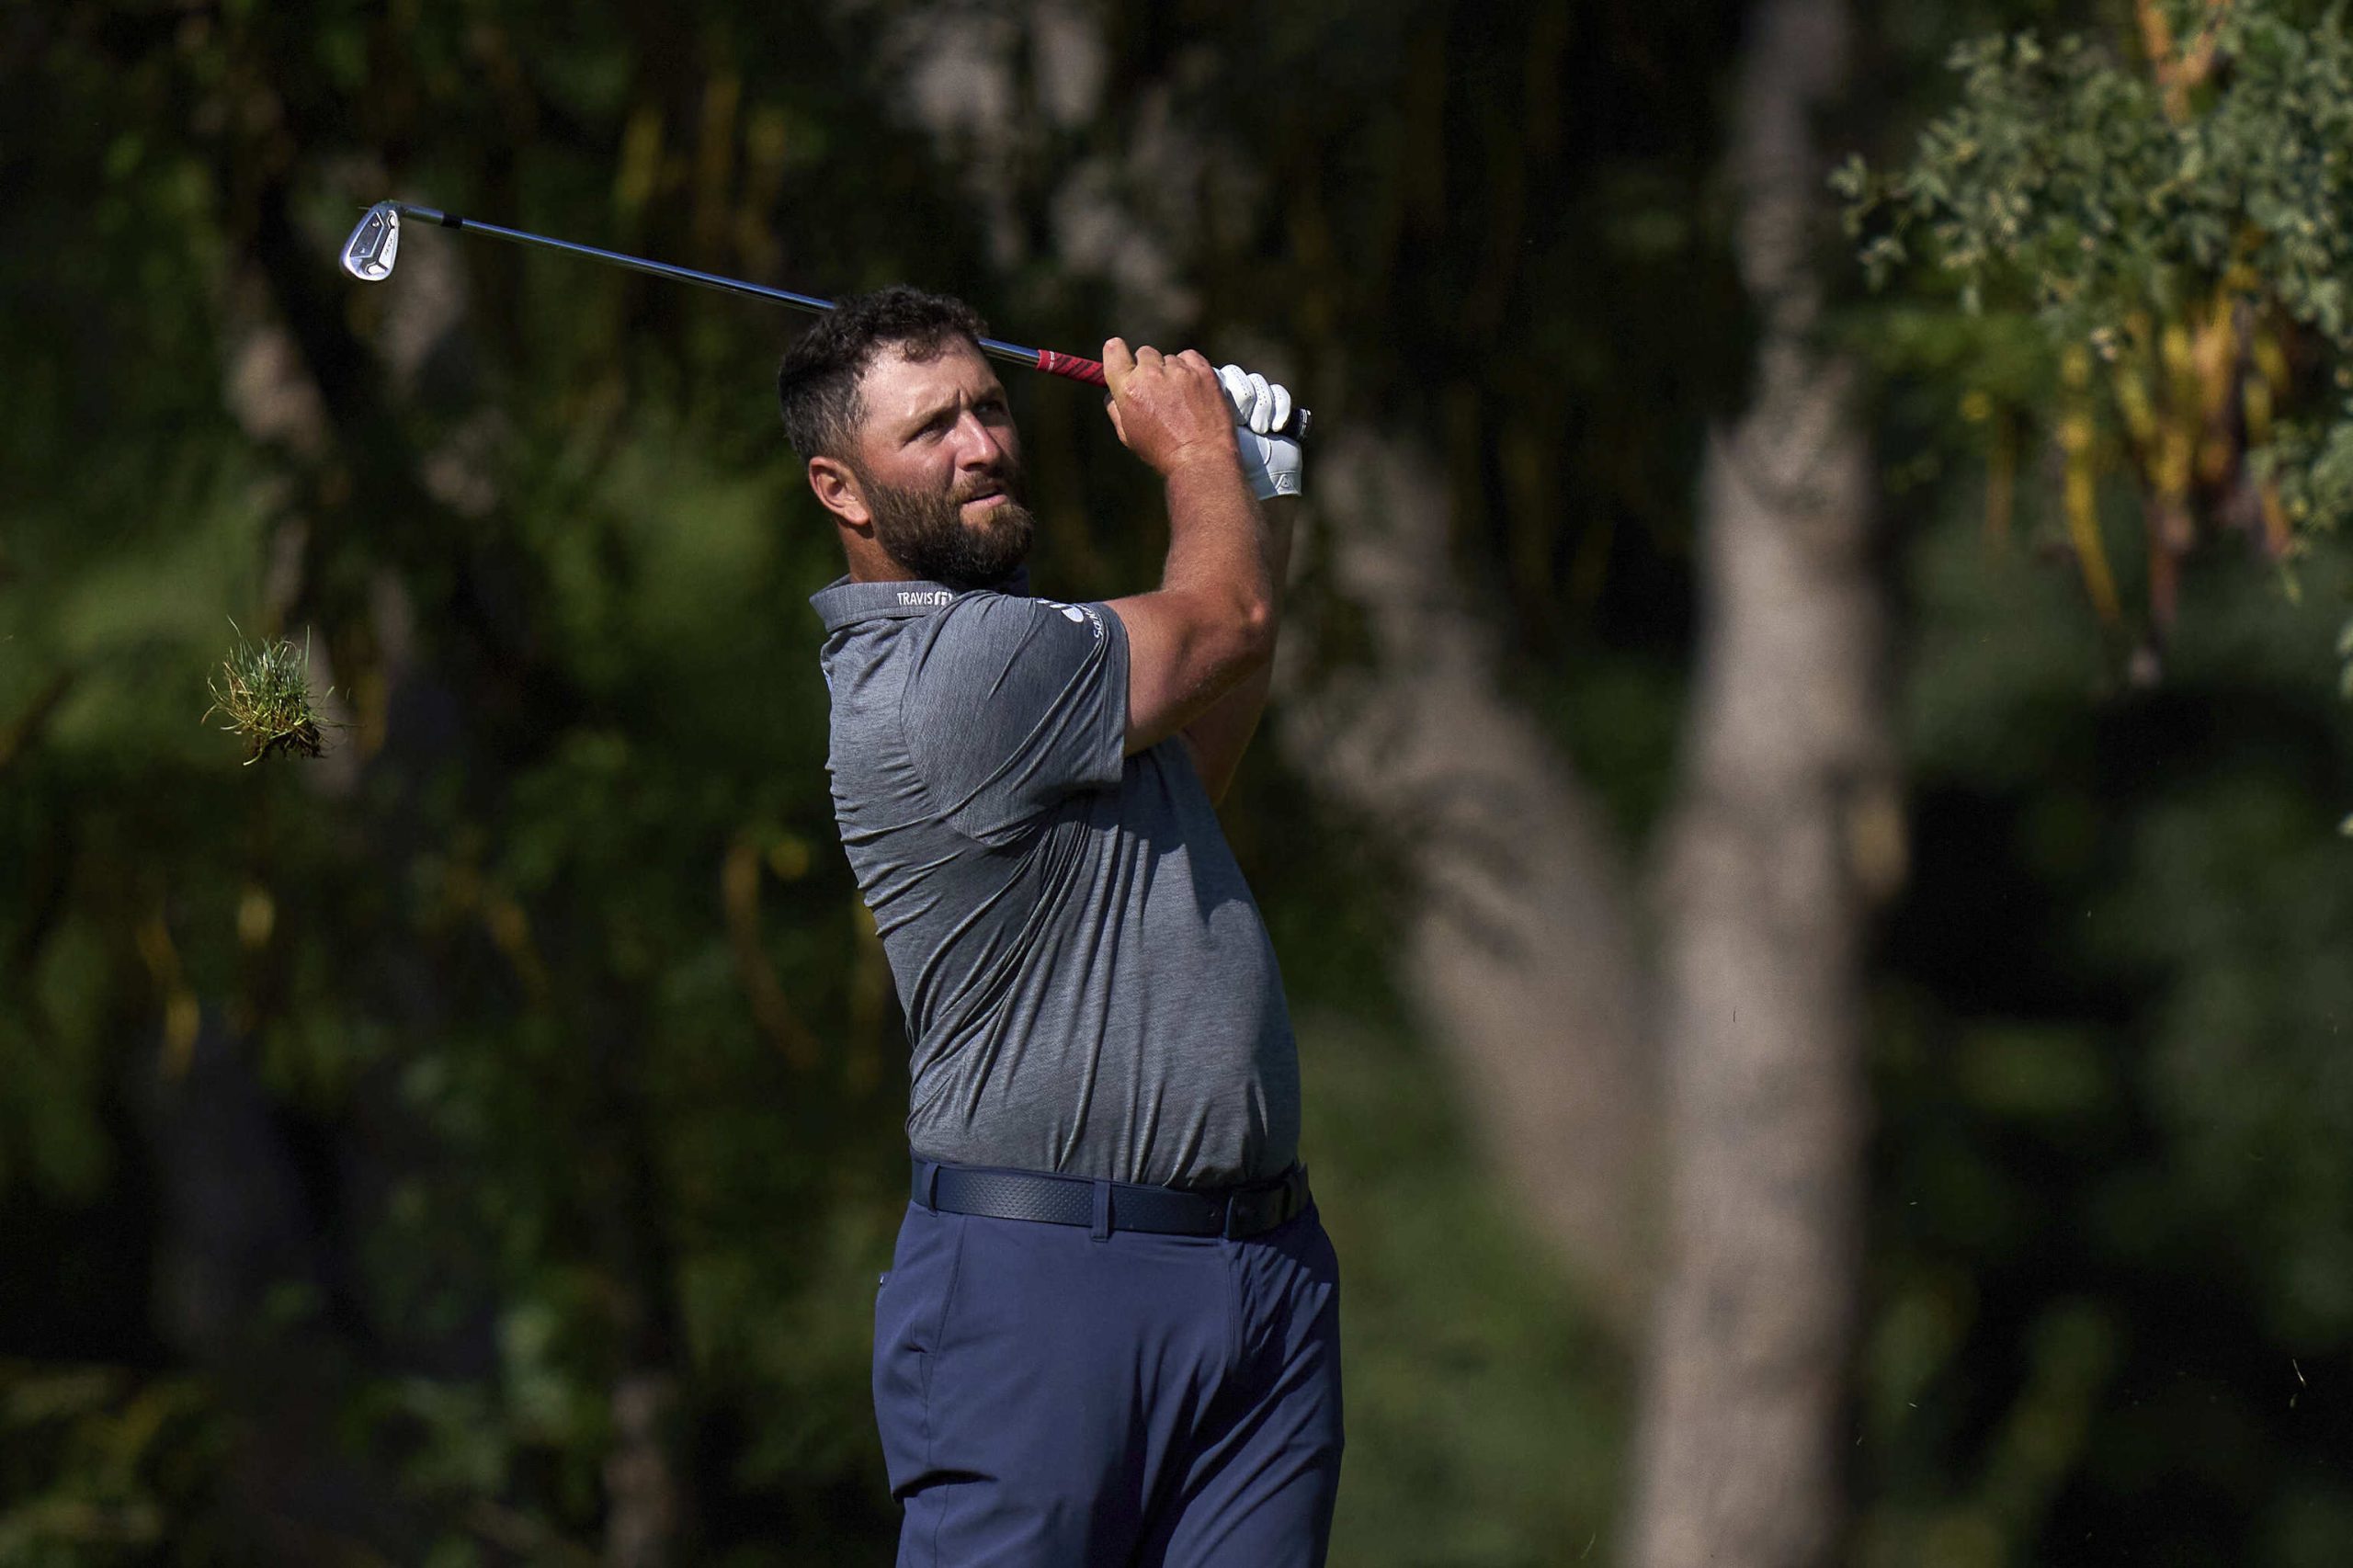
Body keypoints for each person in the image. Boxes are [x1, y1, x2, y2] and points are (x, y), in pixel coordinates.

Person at [778, 286, 1340, 1568]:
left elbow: (1205, 727)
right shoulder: (941, 679)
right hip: (1042, 1293)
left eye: (987, 406)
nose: (981, 443)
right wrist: (1202, 456)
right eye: (931, 429)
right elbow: (1228, 621)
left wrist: (1271, 486)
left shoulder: (1040, 658)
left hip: (1260, 1272)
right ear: (841, 488)